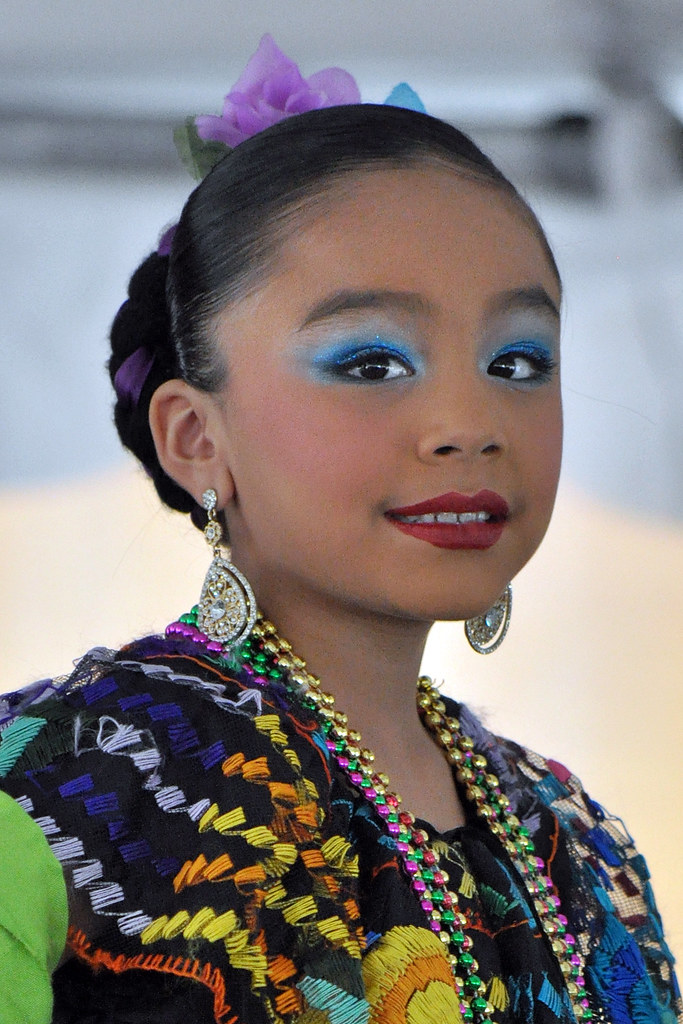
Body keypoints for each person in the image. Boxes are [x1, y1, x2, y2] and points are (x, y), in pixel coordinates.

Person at [0, 35, 680, 1024]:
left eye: (519, 361)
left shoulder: (577, 839)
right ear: (195, 436)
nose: (468, 424)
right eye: (371, 363)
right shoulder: (51, 790)